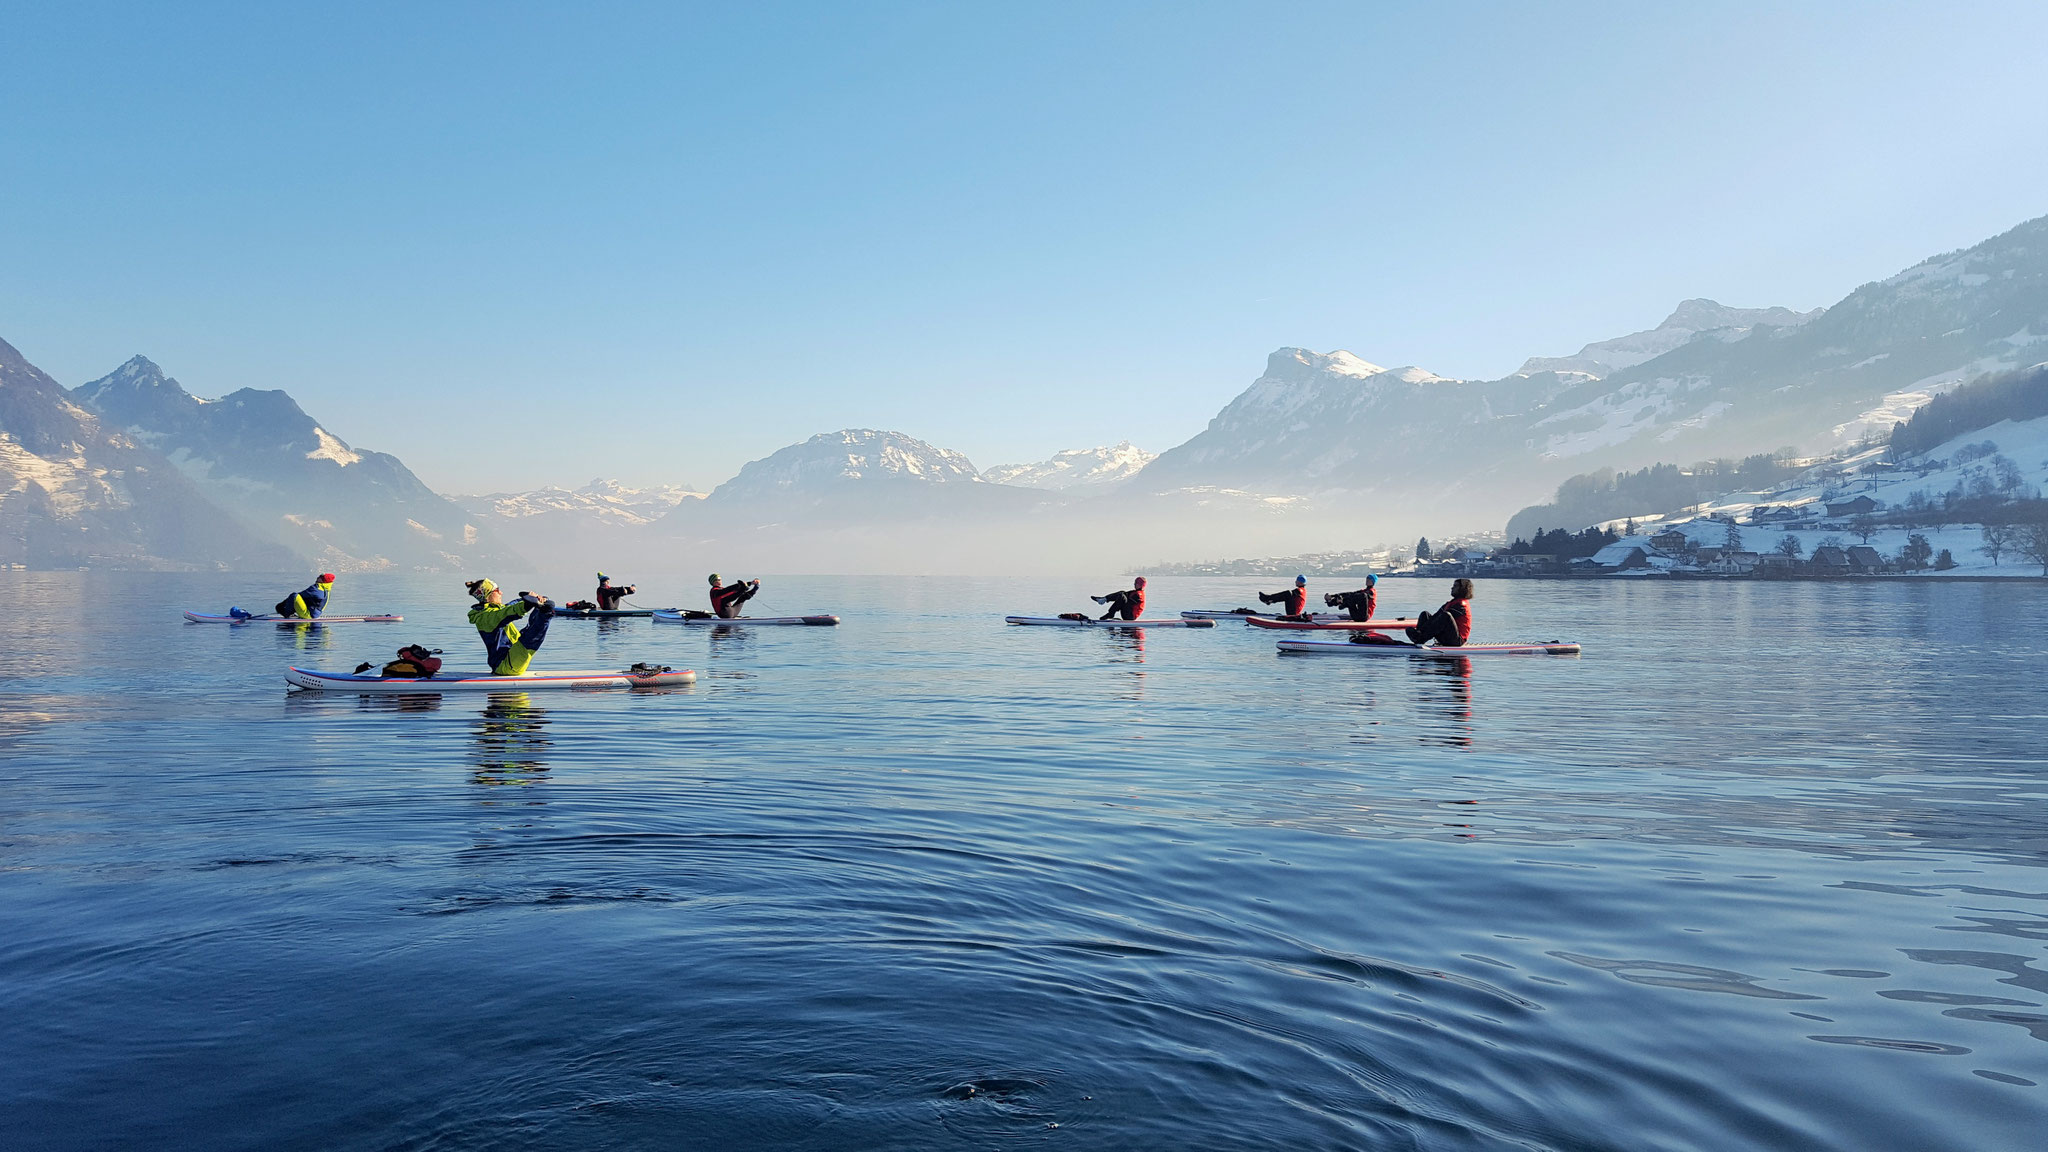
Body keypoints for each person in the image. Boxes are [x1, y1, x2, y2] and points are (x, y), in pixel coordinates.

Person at [465, 578, 557, 675]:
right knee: (532, 638)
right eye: (497, 590)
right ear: (488, 595)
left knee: (537, 612)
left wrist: (533, 599)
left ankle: (543, 611)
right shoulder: (485, 618)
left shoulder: (491, 611)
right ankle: (546, 614)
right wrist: (527, 604)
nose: (501, 593)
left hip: (509, 659)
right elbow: (507, 612)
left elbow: (509, 606)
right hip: (505, 666)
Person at [1405, 578, 1473, 647]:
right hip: (1446, 637)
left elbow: (1443, 620)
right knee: (1425, 614)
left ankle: (1420, 638)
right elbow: (1435, 617)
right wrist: (1421, 631)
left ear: (1462, 589)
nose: (1452, 588)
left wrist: (1424, 631)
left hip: (1457, 641)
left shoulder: (1462, 605)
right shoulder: (1450, 603)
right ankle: (1419, 638)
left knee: (1446, 615)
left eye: (1455, 586)